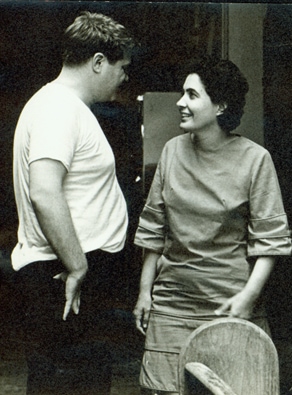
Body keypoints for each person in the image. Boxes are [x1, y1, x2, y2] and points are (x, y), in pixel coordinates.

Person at [133, 57, 292, 394]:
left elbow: (270, 242)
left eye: (192, 95)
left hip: (229, 306)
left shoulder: (255, 159)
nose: (180, 102)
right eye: (183, 94)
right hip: (171, 307)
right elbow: (154, 230)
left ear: (220, 105)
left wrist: (248, 298)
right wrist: (144, 293)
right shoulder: (171, 152)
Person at [11, 12, 136, 395]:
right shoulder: (58, 108)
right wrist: (78, 266)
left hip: (69, 273)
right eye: (121, 67)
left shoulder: (61, 106)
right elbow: (45, 192)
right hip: (65, 275)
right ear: (98, 62)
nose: (125, 77)